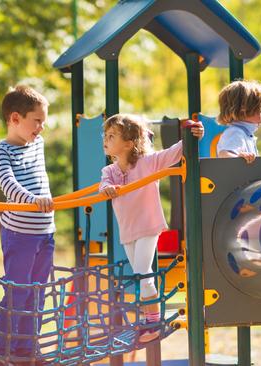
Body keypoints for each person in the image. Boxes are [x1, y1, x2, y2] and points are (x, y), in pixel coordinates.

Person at [99, 114, 203, 343]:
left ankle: (153, 322)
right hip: (128, 231)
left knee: (144, 275)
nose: (105, 140)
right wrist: (107, 189)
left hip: (148, 226)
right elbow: (103, 186)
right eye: (105, 136)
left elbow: (174, 153)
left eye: (111, 136)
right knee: (140, 276)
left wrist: (192, 133)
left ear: (129, 143)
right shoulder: (110, 172)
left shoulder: (148, 163)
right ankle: (149, 320)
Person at [0, 85, 55, 364]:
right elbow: (9, 184)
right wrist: (33, 200)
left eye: (43, 120)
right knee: (17, 290)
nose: (41, 127)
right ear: (15, 119)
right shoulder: (1, 152)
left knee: (37, 292)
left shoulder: (36, 143)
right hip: (20, 234)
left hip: (45, 232)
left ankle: (27, 348)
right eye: (36, 120)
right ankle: (2, 348)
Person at [216, 80, 261, 163]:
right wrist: (237, 158)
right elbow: (224, 154)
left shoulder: (244, 133)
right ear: (244, 110)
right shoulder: (235, 132)